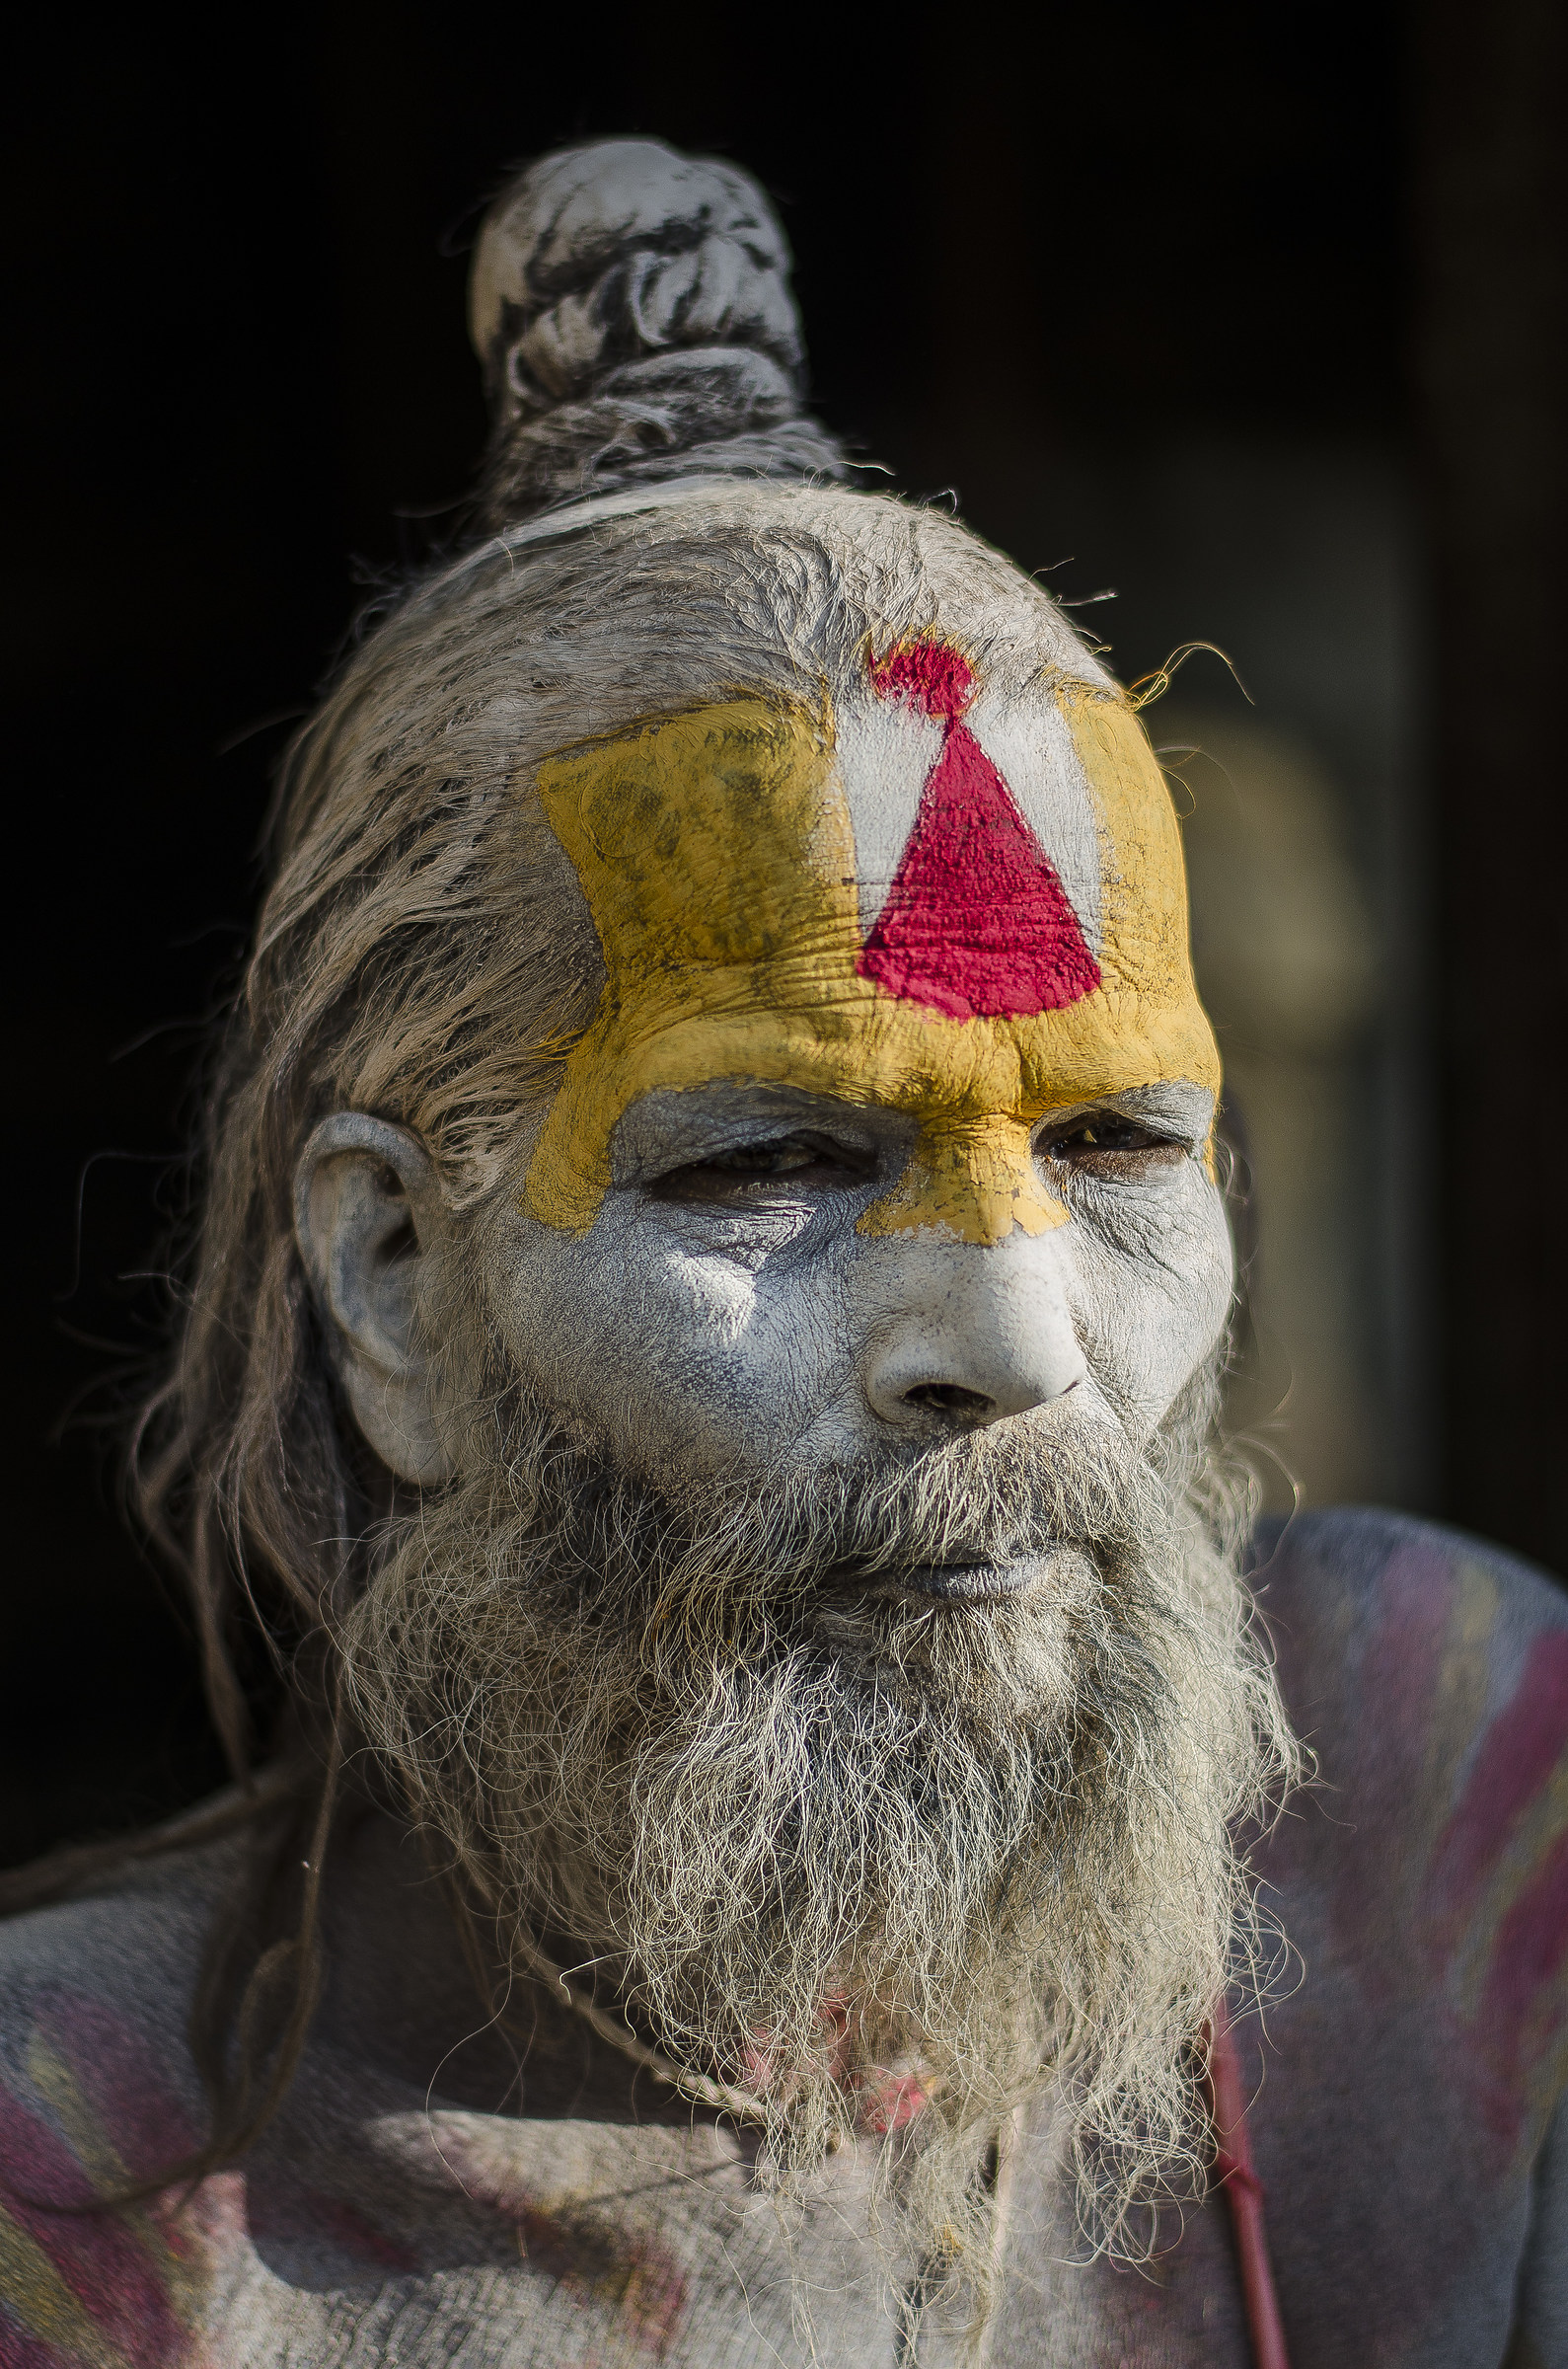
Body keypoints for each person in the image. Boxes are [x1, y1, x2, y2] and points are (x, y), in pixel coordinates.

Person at [1, 137, 1564, 2369]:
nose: (1022, 1337)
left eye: (1121, 1143)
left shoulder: (1462, 1817)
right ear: (394, 1285)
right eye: (768, 1166)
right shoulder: (78, 2206)